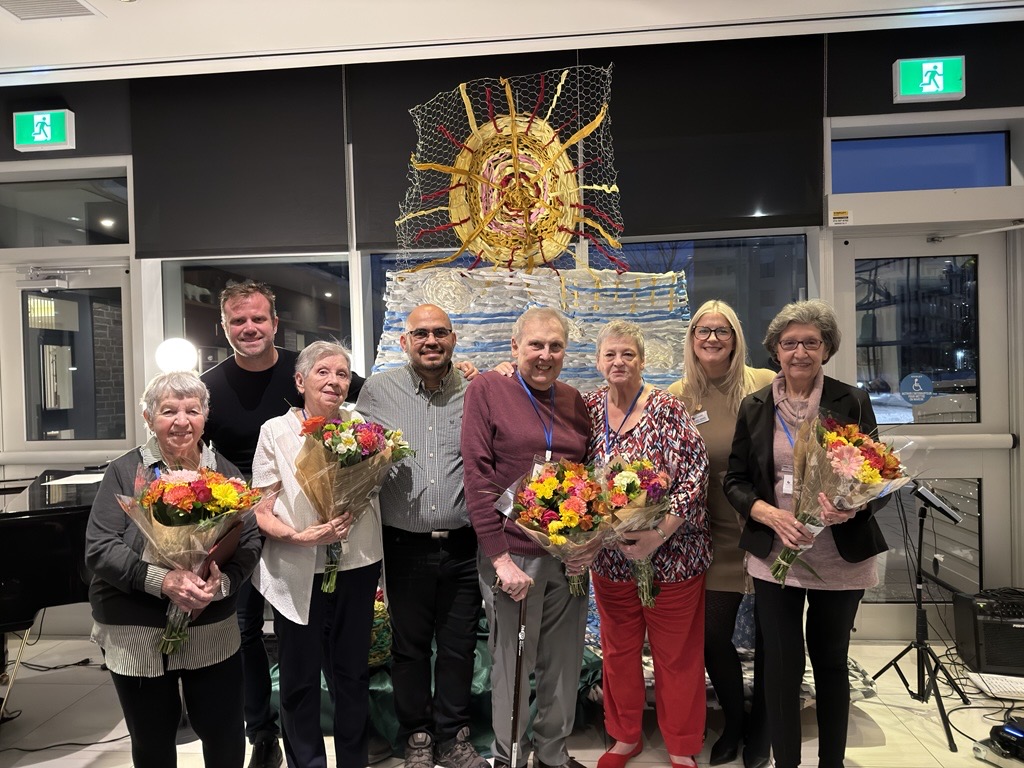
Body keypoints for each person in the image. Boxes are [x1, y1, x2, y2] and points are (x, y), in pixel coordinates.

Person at [724, 299, 889, 768]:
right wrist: (766, 513)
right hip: (774, 553)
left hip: (840, 555)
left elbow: (881, 478)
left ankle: (831, 764)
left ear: (827, 349)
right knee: (781, 665)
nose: (799, 352)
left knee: (831, 661)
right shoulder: (754, 406)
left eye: (811, 343)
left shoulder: (851, 400)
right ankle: (787, 763)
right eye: (790, 342)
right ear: (775, 349)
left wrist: (851, 507)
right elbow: (734, 480)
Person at [85, 371, 262, 768]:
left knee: (226, 733)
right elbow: (99, 547)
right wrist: (163, 581)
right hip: (138, 629)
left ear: (205, 417)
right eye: (168, 411)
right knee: (152, 740)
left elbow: (249, 542)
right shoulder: (124, 471)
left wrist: (222, 585)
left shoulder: (225, 472)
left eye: (192, 410)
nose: (181, 420)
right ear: (149, 419)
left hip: (210, 626)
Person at [356, 303, 487, 768]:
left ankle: (453, 737)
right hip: (403, 546)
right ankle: (416, 736)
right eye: (421, 334)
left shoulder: (477, 389)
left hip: (463, 544)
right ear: (404, 341)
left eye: (440, 333)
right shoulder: (378, 390)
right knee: (408, 648)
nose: (431, 341)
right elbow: (359, 456)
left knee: (458, 646)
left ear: (453, 339)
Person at [462, 306, 591, 768]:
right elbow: (476, 478)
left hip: (567, 558)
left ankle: (553, 755)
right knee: (512, 666)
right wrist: (499, 559)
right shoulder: (488, 389)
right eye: (535, 344)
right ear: (514, 347)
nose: (545, 354)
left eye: (556, 345)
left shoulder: (576, 400)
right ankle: (509, 757)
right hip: (514, 558)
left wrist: (586, 546)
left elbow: (589, 480)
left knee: (563, 664)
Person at [250, 340, 383, 768]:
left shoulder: (362, 426)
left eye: (343, 374)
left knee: (351, 676)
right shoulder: (275, 430)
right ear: (300, 379)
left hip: (357, 564)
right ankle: (306, 762)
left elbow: (373, 484)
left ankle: (352, 762)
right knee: (299, 679)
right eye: (323, 372)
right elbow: (261, 509)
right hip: (296, 567)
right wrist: (300, 536)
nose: (334, 381)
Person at [584, 320, 710, 768]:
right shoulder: (588, 407)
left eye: (628, 355)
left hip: (674, 556)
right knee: (618, 653)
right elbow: (578, 479)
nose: (619, 362)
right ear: (597, 361)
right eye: (610, 354)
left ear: (643, 359)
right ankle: (624, 737)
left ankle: (681, 744)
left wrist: (657, 534)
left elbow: (694, 475)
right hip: (613, 560)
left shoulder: (666, 408)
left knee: (676, 655)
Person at [667, 300, 774, 768]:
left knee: (776, 638)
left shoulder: (766, 385)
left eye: (722, 330)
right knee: (713, 637)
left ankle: (765, 729)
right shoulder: (676, 395)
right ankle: (734, 722)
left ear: (736, 336)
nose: (712, 339)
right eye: (703, 331)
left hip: (768, 528)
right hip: (709, 538)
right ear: (691, 339)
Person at [202, 280, 299, 768]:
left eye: (258, 318)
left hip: (298, 529)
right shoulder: (209, 388)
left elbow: (366, 402)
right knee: (241, 634)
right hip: (236, 531)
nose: (249, 328)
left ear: (275, 324)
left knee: (296, 631)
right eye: (238, 321)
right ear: (224, 328)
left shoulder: (304, 375)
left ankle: (298, 729)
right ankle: (261, 734)